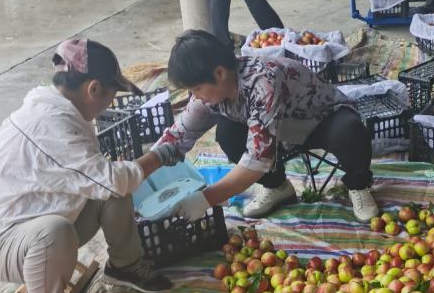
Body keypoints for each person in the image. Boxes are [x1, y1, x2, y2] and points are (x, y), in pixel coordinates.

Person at [0, 39, 176, 293]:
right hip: (6, 242)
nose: (109, 104)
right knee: (63, 224)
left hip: (40, 216)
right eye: (110, 95)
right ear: (93, 89)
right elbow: (113, 179)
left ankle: (124, 265)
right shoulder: (51, 125)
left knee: (111, 182)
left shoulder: (60, 109)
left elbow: (107, 180)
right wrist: (160, 155)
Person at [156, 31, 378, 224]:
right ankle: (278, 187)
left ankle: (358, 185)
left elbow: (256, 161)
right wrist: (136, 170)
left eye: (196, 88)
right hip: (279, 132)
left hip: (321, 120)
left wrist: (206, 199)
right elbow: (177, 136)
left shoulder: (263, 81)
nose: (195, 97)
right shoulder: (212, 94)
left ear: (220, 73)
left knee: (350, 130)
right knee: (227, 132)